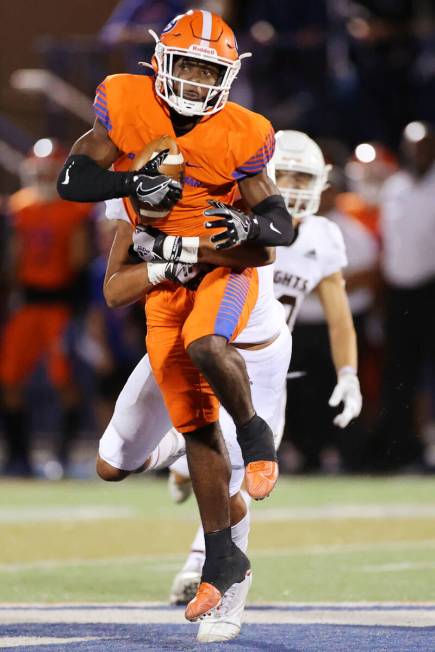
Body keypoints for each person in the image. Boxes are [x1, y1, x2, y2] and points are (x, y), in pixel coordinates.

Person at [57, 9, 294, 620]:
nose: (192, 80)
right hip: (165, 294)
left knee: (206, 347)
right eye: (184, 63)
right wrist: (132, 191)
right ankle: (221, 552)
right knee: (144, 449)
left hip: (226, 281)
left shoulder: (243, 134)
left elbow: (271, 235)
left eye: (206, 69)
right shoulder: (127, 113)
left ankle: (255, 454)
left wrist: (211, 237)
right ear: (160, 61)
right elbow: (74, 182)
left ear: (228, 76)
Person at [99, 130, 362, 642]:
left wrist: (348, 374)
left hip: (256, 359)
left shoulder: (265, 209)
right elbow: (115, 287)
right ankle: (182, 445)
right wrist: (159, 257)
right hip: (177, 334)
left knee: (232, 478)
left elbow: (269, 254)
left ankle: (227, 585)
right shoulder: (143, 194)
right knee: (112, 463)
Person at [0, 139, 92, 476]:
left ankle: (64, 455)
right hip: (26, 304)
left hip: (60, 304)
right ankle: (18, 454)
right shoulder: (19, 208)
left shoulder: (74, 209)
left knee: (63, 378)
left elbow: (79, 261)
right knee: (8, 377)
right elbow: (13, 260)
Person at [373, 121, 435, 470]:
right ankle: (400, 449)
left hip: (431, 287)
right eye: (412, 146)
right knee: (399, 373)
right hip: (398, 292)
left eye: (424, 146)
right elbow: (389, 245)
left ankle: (429, 446)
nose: (418, 153)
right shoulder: (394, 187)